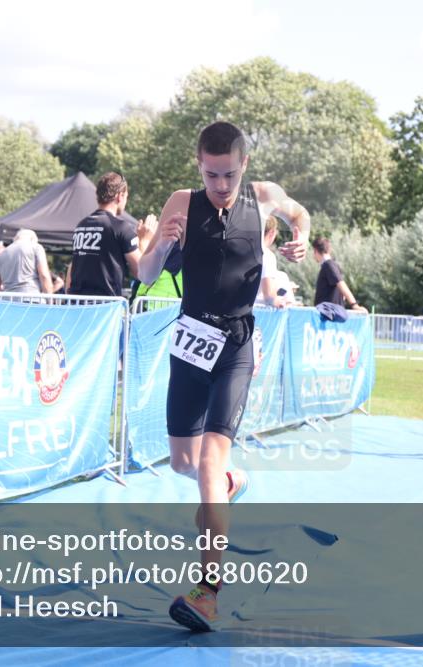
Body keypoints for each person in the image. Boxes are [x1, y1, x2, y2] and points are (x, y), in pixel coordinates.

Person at [137, 121, 310, 632]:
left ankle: (207, 591)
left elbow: (299, 213)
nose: (219, 185)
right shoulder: (180, 202)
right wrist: (162, 247)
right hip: (191, 341)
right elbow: (145, 274)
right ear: (199, 165)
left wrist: (301, 236)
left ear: (244, 165)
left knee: (210, 460)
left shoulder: (263, 197)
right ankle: (230, 484)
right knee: (184, 463)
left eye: (229, 175)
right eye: (211, 175)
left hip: (236, 344)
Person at [66, 172, 156, 297]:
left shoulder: (81, 225)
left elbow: (73, 267)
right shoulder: (121, 227)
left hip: (78, 303)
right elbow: (142, 274)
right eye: (126, 197)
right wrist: (144, 241)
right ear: (120, 196)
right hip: (105, 305)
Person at [312, 238, 367, 313]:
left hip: (329, 314)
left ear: (315, 251)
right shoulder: (332, 265)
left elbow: (341, 284)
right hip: (329, 313)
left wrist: (354, 305)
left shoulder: (328, 265)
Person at [0, 229, 53, 295]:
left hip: (8, 298)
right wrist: (49, 298)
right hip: (31, 296)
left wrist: (3, 299)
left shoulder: (1, 255)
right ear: (33, 239)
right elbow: (44, 275)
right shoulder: (36, 247)